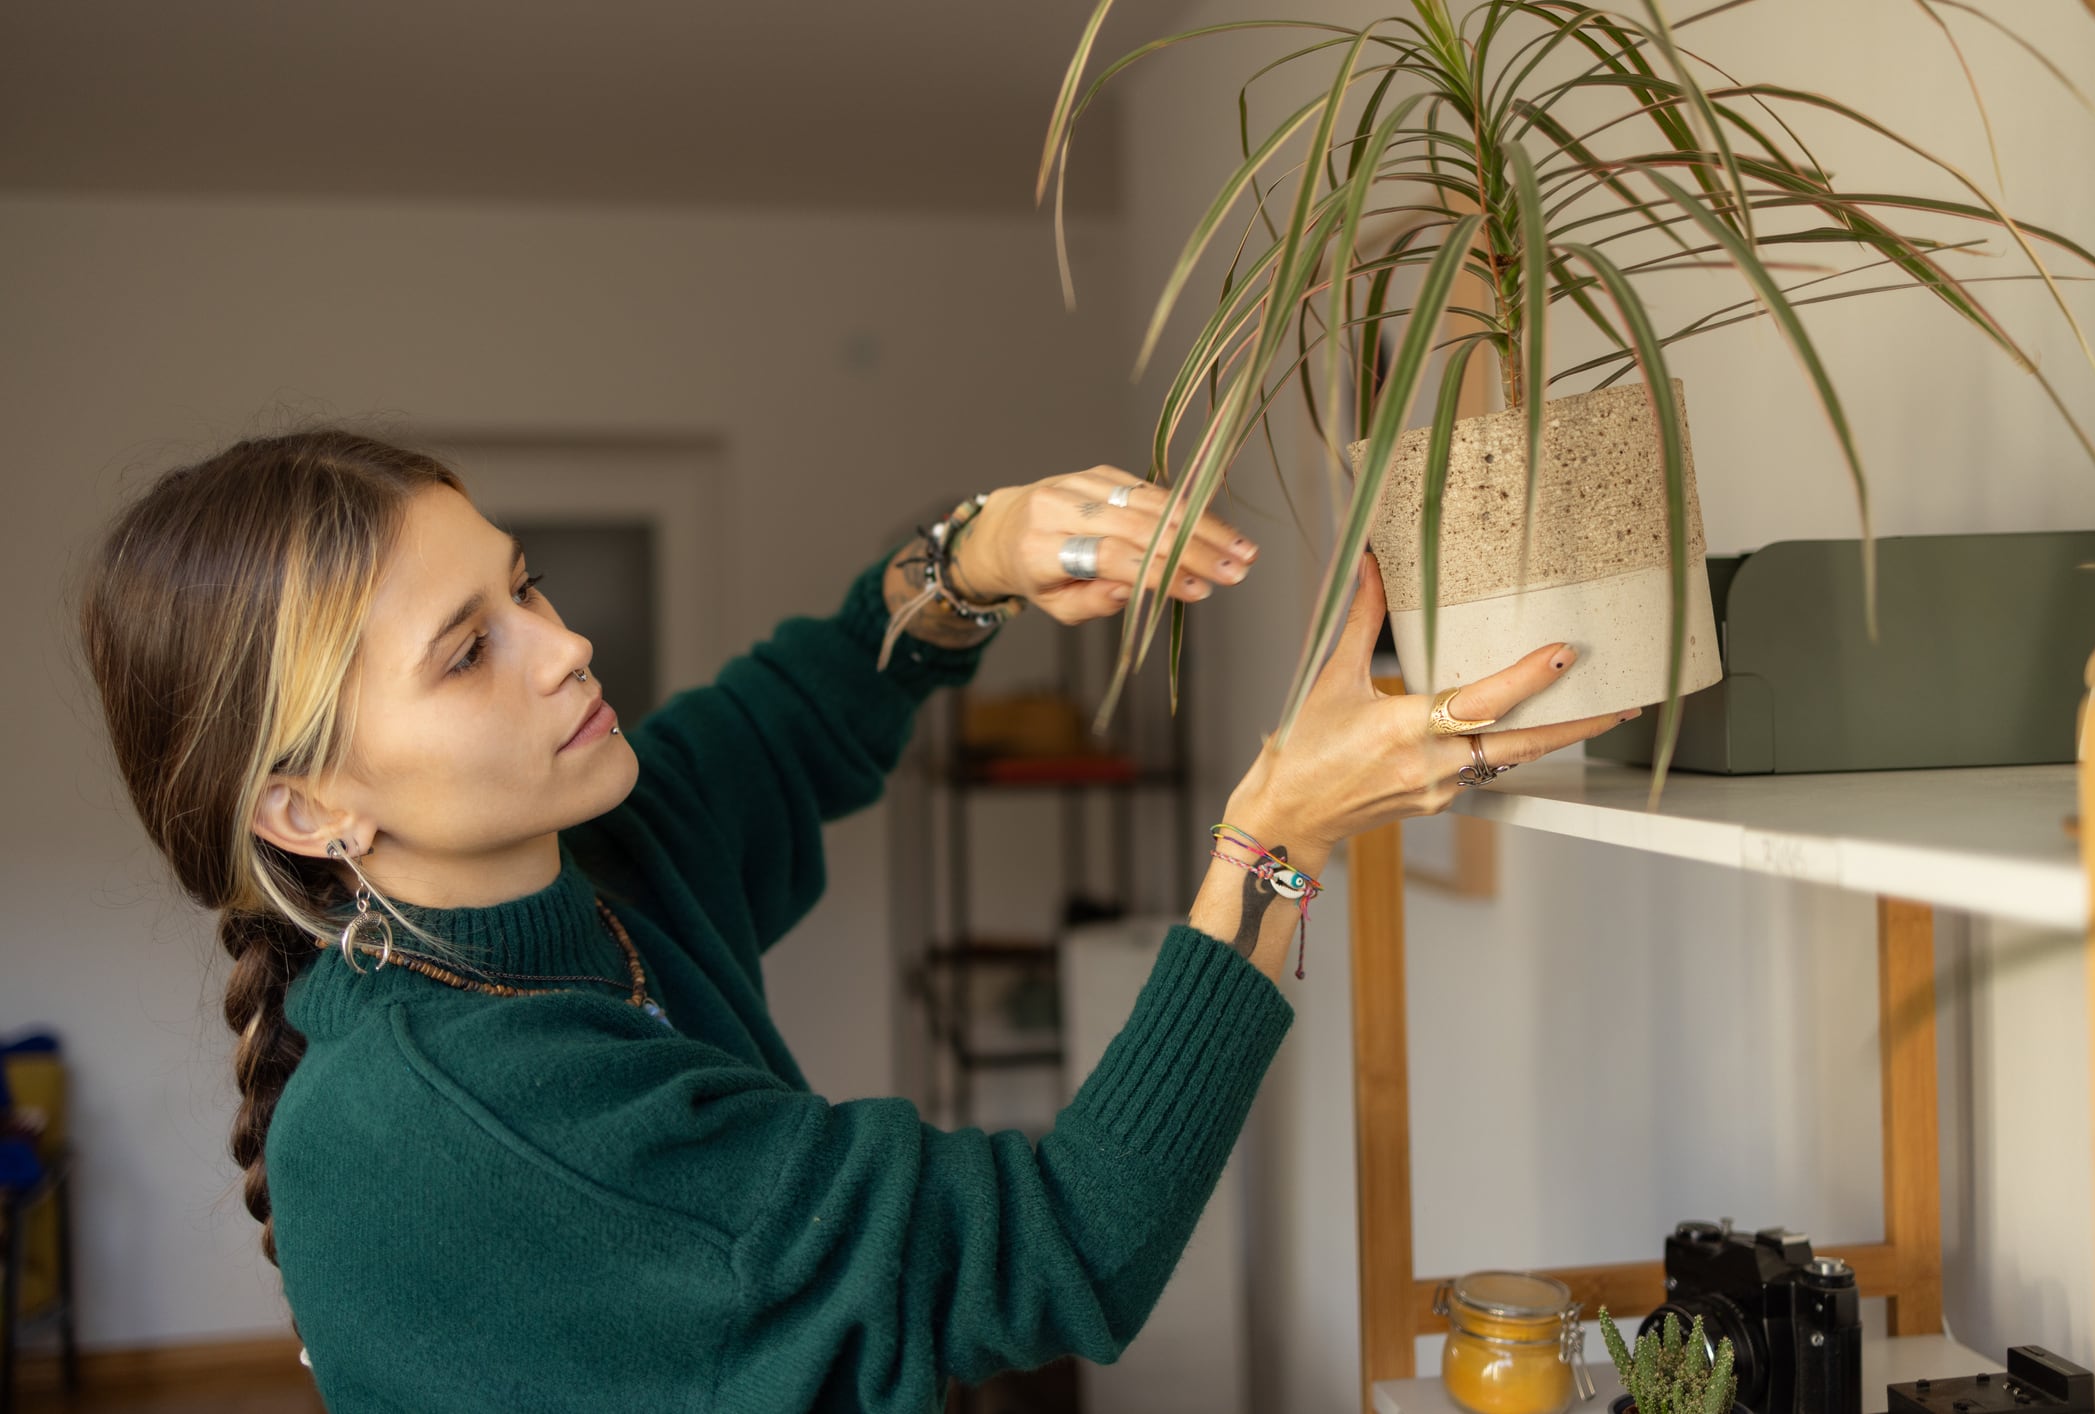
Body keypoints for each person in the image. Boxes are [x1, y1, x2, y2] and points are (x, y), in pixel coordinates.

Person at [73, 427, 1631, 1412]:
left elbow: (798, 711)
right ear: (306, 810)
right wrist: (1278, 841)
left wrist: (980, 554)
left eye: (529, 586)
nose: (564, 645)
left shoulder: (575, 862)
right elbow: (1058, 1246)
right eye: (469, 649)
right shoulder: (472, 1119)